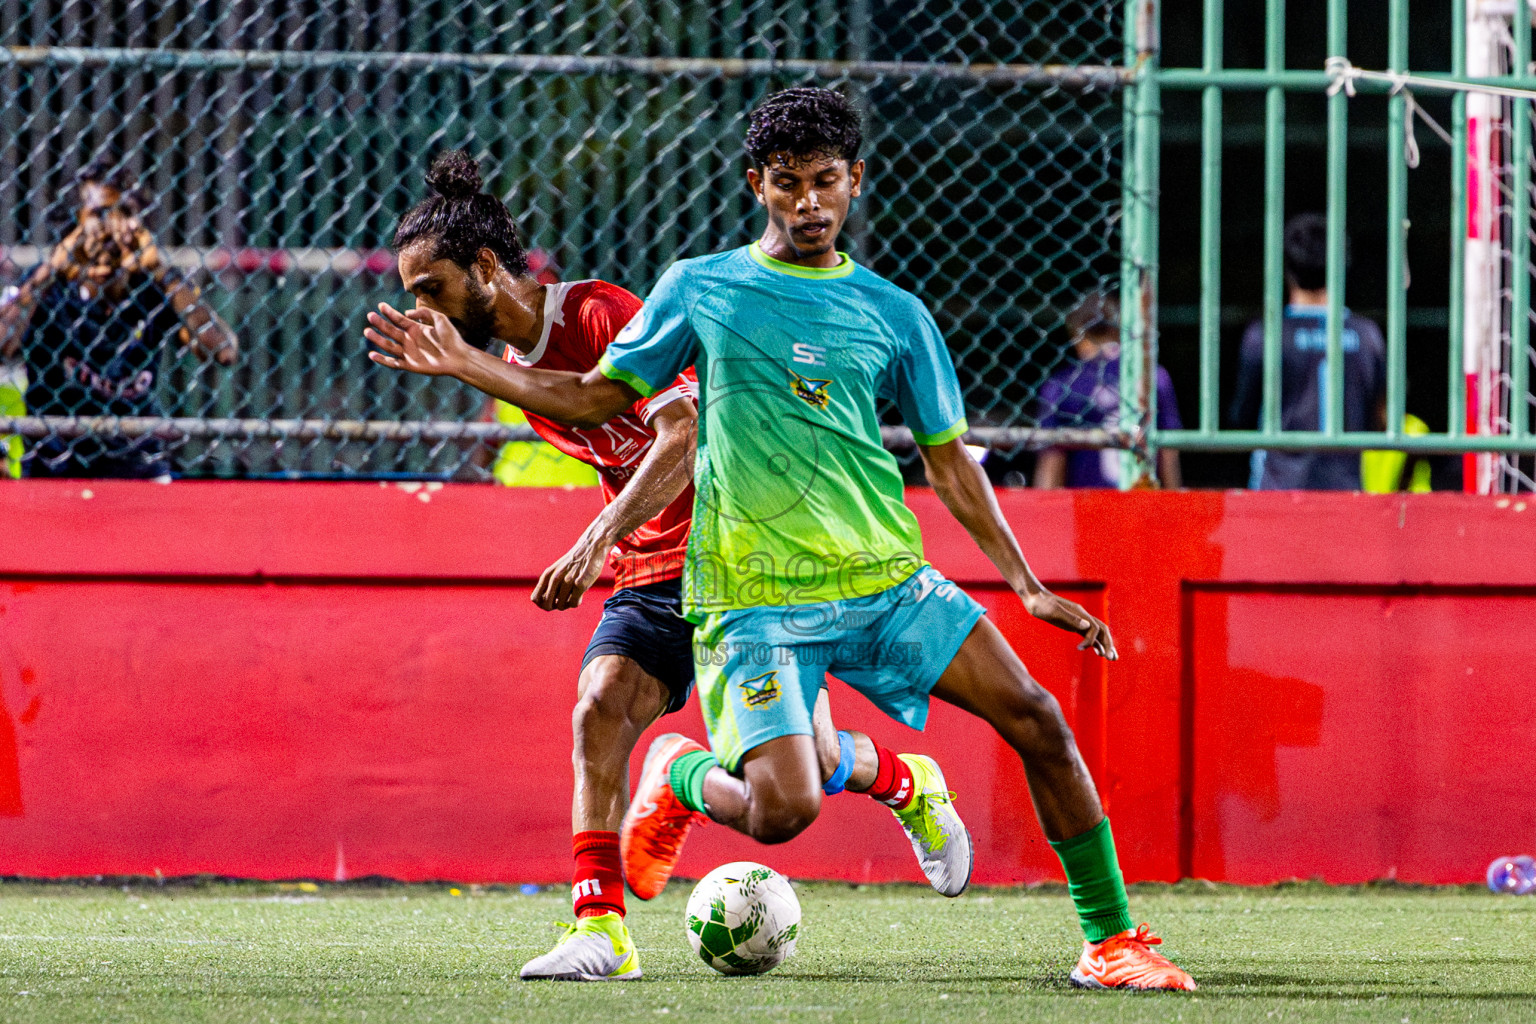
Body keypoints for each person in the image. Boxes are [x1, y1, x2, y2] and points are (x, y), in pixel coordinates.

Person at [364, 92, 1194, 991]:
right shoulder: (698, 287)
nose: (809, 204)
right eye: (789, 184)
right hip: (749, 589)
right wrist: (470, 366)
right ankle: (652, 837)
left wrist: (1026, 585)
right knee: (777, 807)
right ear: (757, 184)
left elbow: (952, 467)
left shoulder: (896, 312)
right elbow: (595, 398)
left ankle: (1111, 942)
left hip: (882, 575)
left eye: (826, 183)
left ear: (855, 183)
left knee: (1035, 714)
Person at [370, 149, 975, 982]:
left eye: (429, 287)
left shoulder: (598, 312)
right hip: (654, 566)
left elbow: (683, 437)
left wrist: (592, 540)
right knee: (598, 708)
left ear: (484, 267)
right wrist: (614, 538)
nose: (420, 308)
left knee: (789, 791)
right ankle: (600, 931)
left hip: (742, 556)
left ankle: (900, 782)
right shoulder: (509, 368)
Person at [0, 162, 239, 479]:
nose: (110, 229)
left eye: (124, 213)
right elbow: (4, 343)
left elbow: (223, 351)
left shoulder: (153, 288)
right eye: (99, 214)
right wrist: (51, 270)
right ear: (77, 222)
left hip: (139, 460)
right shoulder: (47, 287)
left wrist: (161, 271)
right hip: (56, 463)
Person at [1230, 212, 1386, 490]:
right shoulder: (1367, 336)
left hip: (1278, 493)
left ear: (1285, 267)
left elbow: (1242, 417)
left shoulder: (1265, 335)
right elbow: (1381, 420)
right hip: (1345, 493)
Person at [1034, 292, 1182, 488]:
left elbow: (1051, 462)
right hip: (1140, 500)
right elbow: (1168, 453)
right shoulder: (1152, 375)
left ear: (1076, 332)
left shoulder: (1064, 383)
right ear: (1120, 326)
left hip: (1087, 504)